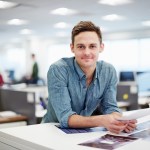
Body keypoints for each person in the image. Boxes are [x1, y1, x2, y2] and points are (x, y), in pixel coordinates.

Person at [42, 21, 137, 134]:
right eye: (81, 46)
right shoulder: (58, 70)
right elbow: (65, 118)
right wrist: (102, 120)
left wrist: (120, 121)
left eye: (92, 46)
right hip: (53, 131)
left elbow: (110, 107)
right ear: (72, 48)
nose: (87, 52)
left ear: (101, 47)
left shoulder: (108, 71)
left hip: (83, 132)